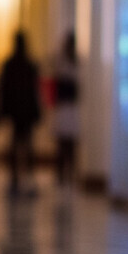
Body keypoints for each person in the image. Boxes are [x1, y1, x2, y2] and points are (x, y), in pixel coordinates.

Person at [0, 31, 42, 196]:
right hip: (22, 112)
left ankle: (21, 179)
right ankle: (19, 179)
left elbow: (33, 91)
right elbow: (4, 90)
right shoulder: (25, 65)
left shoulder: (18, 65)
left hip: (20, 112)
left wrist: (0, 113)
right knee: (21, 145)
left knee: (22, 145)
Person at [52, 31, 79, 185]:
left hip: (70, 108)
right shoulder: (62, 61)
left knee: (70, 143)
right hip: (64, 107)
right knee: (62, 143)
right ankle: (61, 174)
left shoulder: (75, 62)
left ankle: (69, 174)